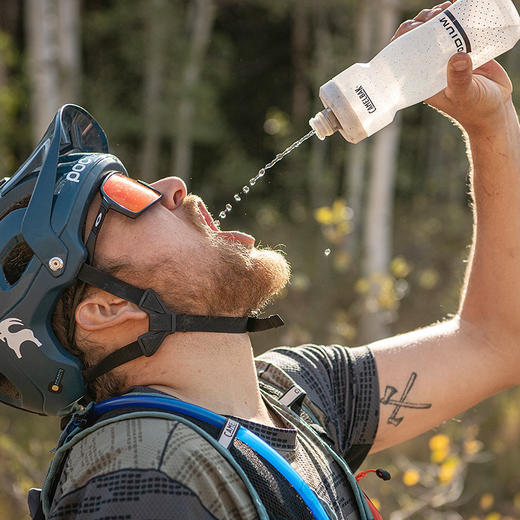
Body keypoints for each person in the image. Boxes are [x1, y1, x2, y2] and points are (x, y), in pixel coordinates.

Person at [1, 2, 519, 519]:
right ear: (107, 308)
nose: (172, 187)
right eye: (126, 195)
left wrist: (490, 122)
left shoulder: (295, 398)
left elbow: (498, 339)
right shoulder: (139, 482)